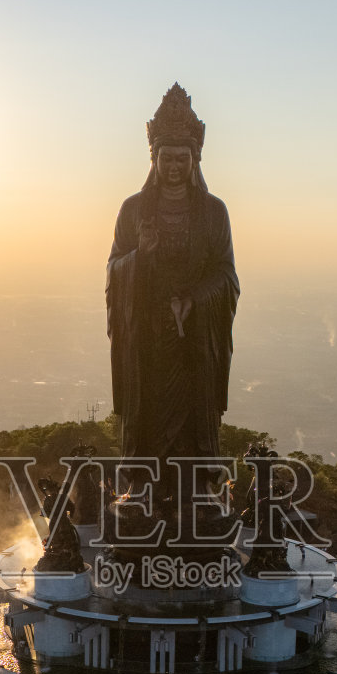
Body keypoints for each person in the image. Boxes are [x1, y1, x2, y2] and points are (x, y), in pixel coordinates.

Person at [106, 84, 239, 482]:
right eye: (167, 157)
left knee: (195, 410)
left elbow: (227, 275)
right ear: (155, 158)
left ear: (195, 159)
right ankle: (142, 484)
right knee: (146, 407)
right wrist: (141, 256)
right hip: (146, 334)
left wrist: (194, 299)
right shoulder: (133, 209)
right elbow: (114, 268)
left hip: (195, 336)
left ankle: (198, 485)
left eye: (183, 157)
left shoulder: (213, 212)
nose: (175, 165)